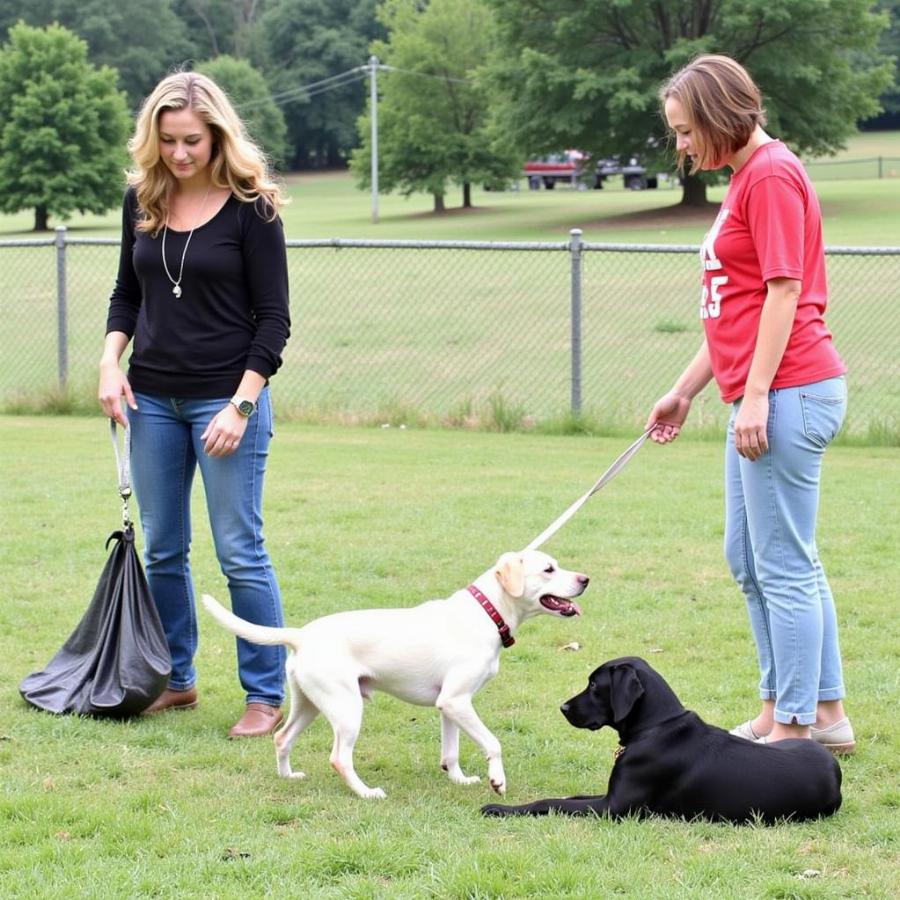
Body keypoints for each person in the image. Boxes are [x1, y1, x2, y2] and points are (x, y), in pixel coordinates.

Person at [647, 55, 854, 753]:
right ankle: (806, 712)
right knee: (753, 556)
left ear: (716, 116)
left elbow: (785, 291)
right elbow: (733, 311)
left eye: (683, 130)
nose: (680, 145)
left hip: (790, 389)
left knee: (783, 563)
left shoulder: (769, 174)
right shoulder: (745, 180)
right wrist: (683, 391)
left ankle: (796, 728)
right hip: (761, 391)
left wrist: (758, 395)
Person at [98, 71, 291, 738]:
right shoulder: (142, 200)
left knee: (240, 550)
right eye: (169, 140)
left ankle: (265, 693)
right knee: (164, 550)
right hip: (151, 397)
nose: (180, 154)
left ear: (218, 137)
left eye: (193, 141)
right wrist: (109, 362)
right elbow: (127, 295)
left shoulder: (252, 208)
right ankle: (177, 681)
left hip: (225, 399)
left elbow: (273, 321)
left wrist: (239, 406)